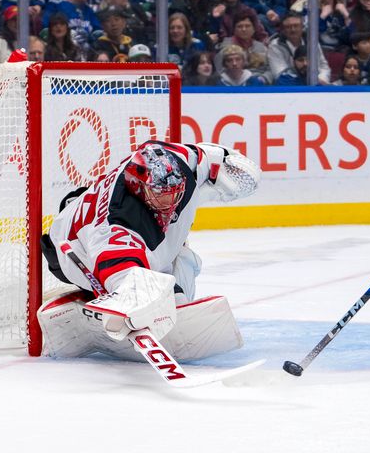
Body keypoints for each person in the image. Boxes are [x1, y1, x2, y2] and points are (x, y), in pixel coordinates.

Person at [38, 141, 261, 362]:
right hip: (69, 254)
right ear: (138, 188)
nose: (171, 201)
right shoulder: (115, 229)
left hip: (80, 216)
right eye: (161, 195)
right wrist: (131, 308)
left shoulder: (179, 162)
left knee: (176, 249)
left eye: (175, 192)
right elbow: (129, 282)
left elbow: (209, 156)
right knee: (171, 276)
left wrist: (230, 162)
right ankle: (158, 301)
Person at [268, 11, 331, 84]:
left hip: (315, 84)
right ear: (283, 30)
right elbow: (279, 73)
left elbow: (323, 67)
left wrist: (320, 80)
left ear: (302, 26)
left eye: (296, 25)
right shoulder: (275, 45)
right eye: (288, 27)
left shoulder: (312, 42)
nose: (293, 30)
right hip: (289, 87)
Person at [214, 10, 271, 82]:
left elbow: (269, 69)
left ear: (254, 29)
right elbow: (219, 72)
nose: (244, 29)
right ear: (234, 29)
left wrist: (263, 79)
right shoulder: (225, 47)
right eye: (240, 26)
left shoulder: (261, 47)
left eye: (247, 26)